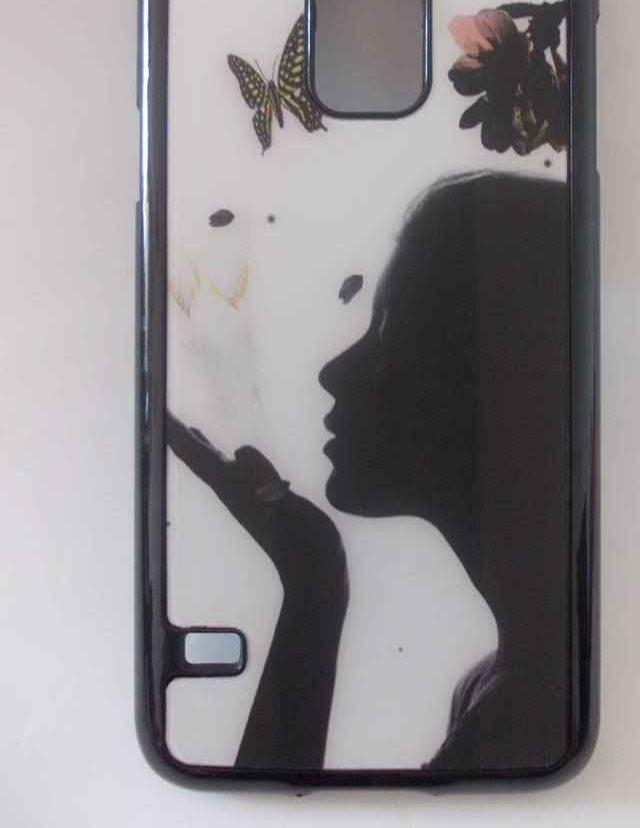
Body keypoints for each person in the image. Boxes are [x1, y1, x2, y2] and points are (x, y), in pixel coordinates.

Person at [167, 170, 572, 771]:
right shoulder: (512, 682)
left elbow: (277, 807)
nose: (334, 371)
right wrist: (314, 578)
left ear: (505, 374)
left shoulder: (530, 706)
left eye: (390, 326)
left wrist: (314, 590)